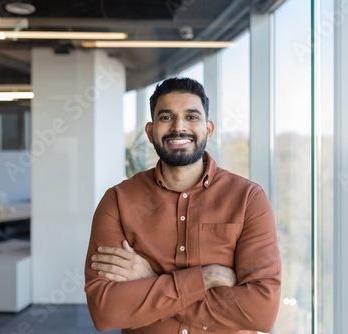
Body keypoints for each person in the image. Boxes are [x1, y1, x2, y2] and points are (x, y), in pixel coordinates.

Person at [84, 77, 281, 334]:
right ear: (150, 131)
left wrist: (151, 281)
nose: (179, 127)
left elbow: (260, 313)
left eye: (191, 117)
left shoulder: (248, 199)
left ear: (208, 129)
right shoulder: (118, 201)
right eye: (166, 117)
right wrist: (207, 278)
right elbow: (106, 311)